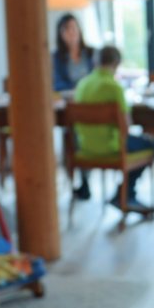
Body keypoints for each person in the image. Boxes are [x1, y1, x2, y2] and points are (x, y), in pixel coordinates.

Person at [74, 45, 154, 215]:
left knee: (138, 143)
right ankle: (125, 194)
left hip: (85, 148)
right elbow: (126, 127)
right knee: (149, 145)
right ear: (116, 63)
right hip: (111, 147)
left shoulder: (82, 84)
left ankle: (123, 195)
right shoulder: (114, 87)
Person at [53, 13, 95, 199]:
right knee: (72, 135)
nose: (71, 33)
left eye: (73, 28)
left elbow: (97, 78)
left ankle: (86, 177)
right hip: (69, 104)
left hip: (91, 104)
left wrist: (85, 90)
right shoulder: (57, 58)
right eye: (66, 29)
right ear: (60, 33)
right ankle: (79, 179)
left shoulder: (91, 54)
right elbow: (57, 84)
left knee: (85, 133)